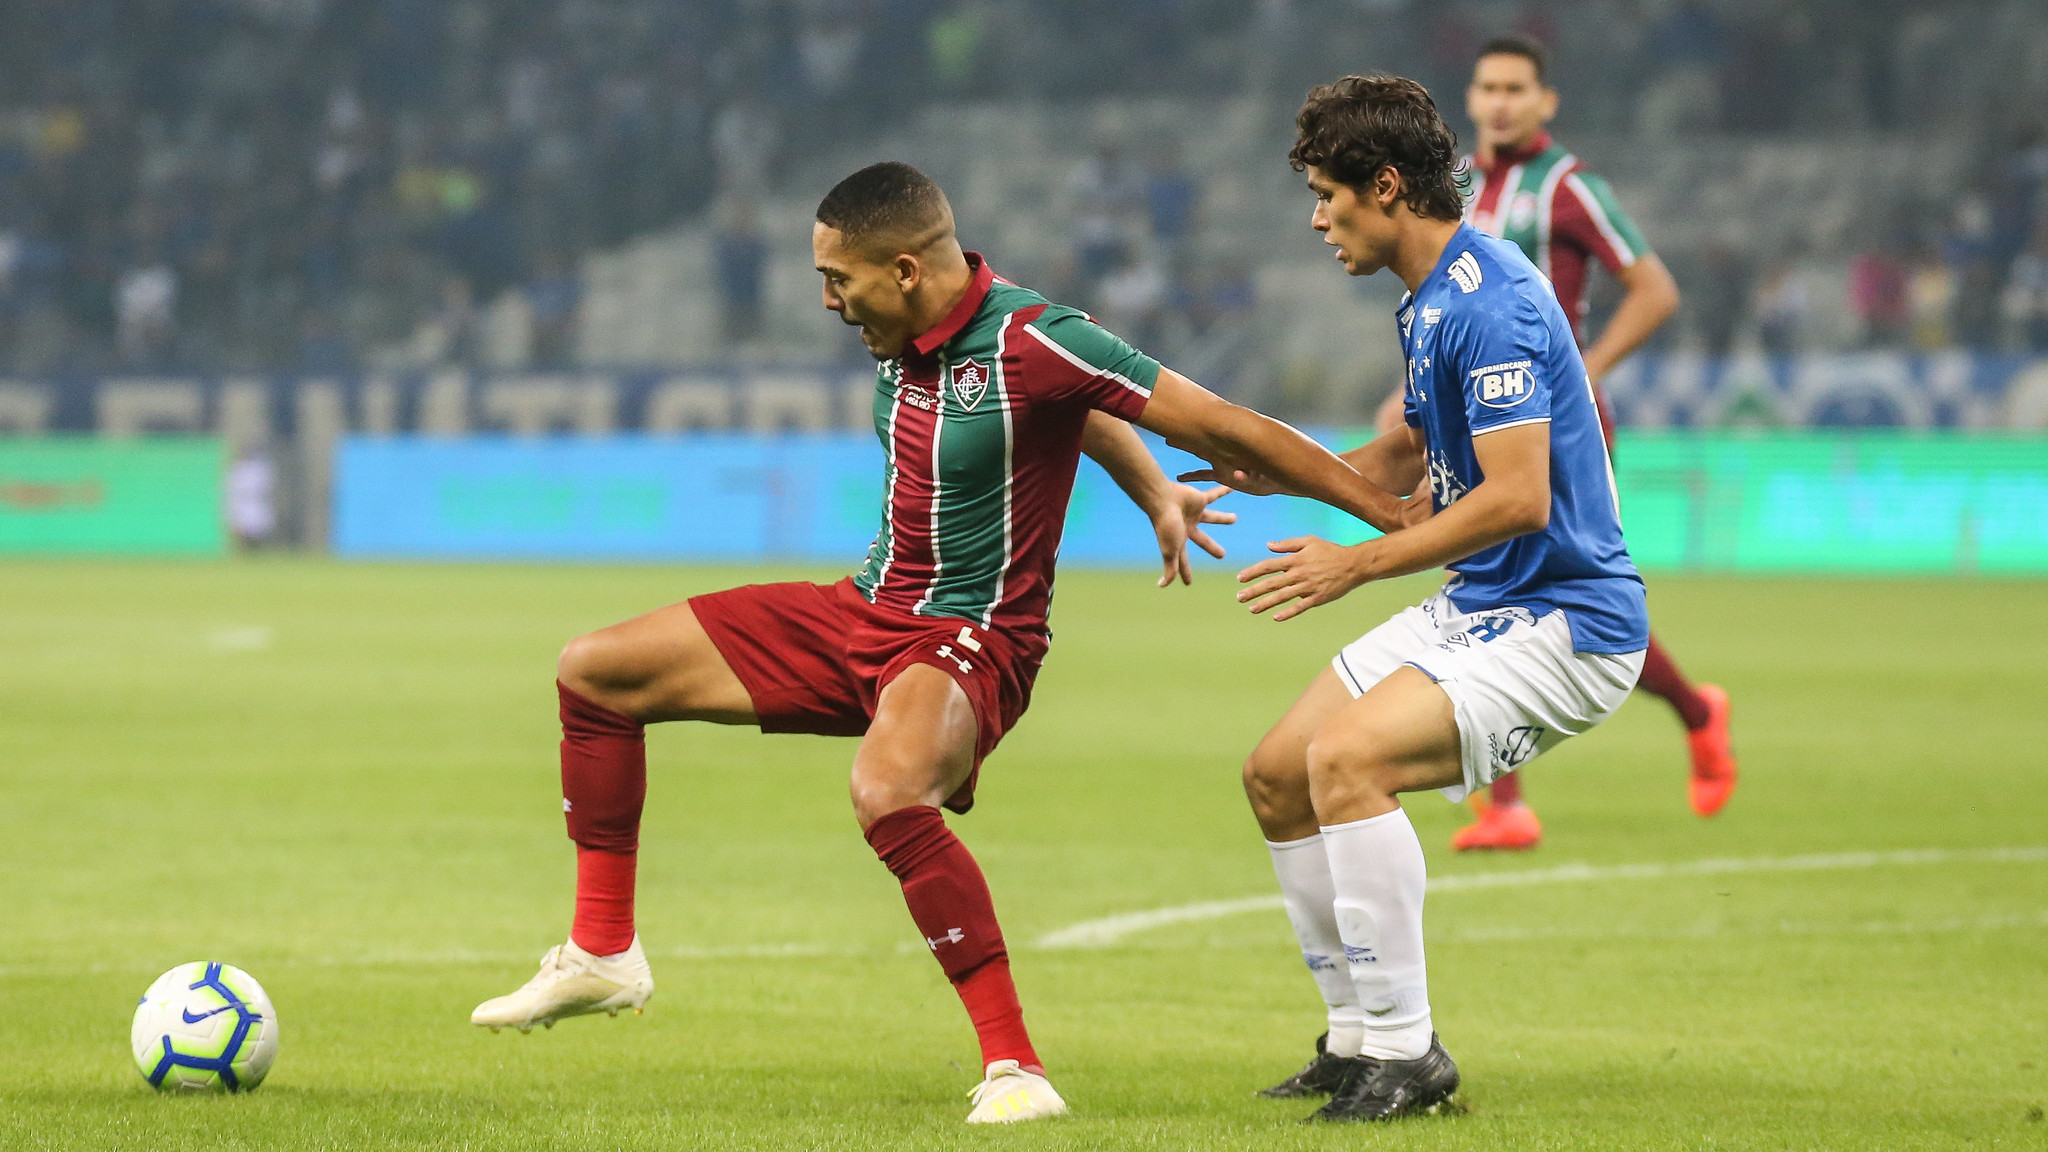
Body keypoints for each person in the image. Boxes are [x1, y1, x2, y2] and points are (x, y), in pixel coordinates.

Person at [469, 162, 1402, 1124]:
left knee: (885, 792)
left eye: (841, 280)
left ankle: (1015, 1069)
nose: (830, 301)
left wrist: (1385, 513)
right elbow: (1075, 412)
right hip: (863, 610)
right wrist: (1153, 491)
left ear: (908, 268)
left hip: (970, 636)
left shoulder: (1037, 337)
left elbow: (1223, 423)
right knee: (596, 674)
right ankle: (602, 951)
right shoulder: (908, 327)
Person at [1215, 74, 1648, 1120]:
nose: (1318, 219)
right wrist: (1297, 472)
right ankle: (1356, 1036)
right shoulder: (1435, 294)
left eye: (1330, 195)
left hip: (1568, 619)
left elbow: (1513, 497)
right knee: (1276, 774)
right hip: (1485, 603)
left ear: (1389, 185)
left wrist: (1352, 560)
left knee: (1346, 760)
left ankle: (1409, 1057)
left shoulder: (1490, 302)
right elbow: (1410, 444)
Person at [1374, 34, 1734, 850]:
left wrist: (1584, 366)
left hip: (1551, 416)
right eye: (1488, 87)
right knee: (1490, 581)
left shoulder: (1570, 188)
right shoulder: (1454, 183)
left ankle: (1695, 710)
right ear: (1470, 99)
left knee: (1566, 593)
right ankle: (1507, 803)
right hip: (1473, 410)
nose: (1500, 101)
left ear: (1545, 102)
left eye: (1516, 88)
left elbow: (1655, 289)